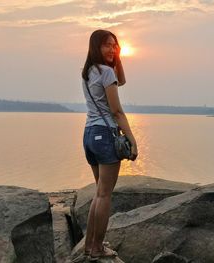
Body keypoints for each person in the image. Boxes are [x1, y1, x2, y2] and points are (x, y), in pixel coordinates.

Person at [80, 29, 138, 259]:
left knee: (99, 193)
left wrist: (119, 57)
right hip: (105, 135)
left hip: (89, 134)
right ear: (95, 47)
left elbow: (121, 80)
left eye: (115, 45)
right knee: (105, 195)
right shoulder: (105, 72)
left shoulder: (89, 72)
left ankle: (88, 245)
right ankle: (97, 248)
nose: (111, 49)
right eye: (106, 45)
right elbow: (116, 111)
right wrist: (132, 141)